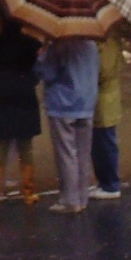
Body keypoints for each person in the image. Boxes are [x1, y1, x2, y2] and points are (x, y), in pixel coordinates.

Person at [0, 14, 41, 207]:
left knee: (0, 147)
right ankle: (29, 193)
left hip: (2, 100)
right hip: (25, 99)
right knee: (26, 147)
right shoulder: (32, 44)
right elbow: (37, 74)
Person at [35, 38, 98, 213]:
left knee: (66, 154)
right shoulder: (91, 44)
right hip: (87, 102)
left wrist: (41, 57)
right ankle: (82, 197)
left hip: (63, 104)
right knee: (83, 154)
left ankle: (70, 200)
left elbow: (47, 74)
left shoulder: (58, 46)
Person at [90, 32, 124, 199]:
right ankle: (105, 182)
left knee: (104, 142)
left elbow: (103, 71)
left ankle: (110, 185)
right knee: (100, 142)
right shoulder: (110, 41)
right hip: (105, 99)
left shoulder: (106, 44)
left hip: (104, 100)